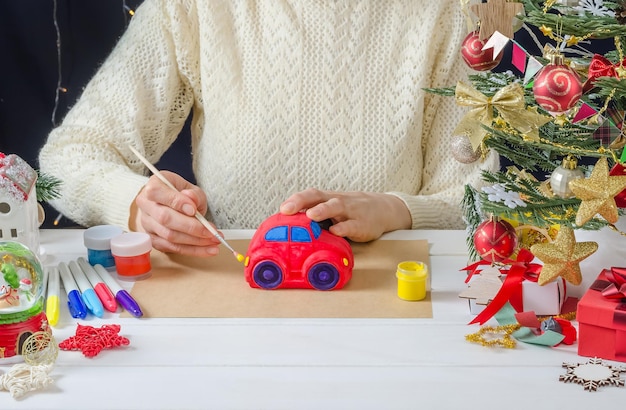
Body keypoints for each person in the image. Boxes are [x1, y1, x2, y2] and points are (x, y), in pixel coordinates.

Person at [39, 0, 499, 257]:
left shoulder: (443, 14)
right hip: (232, 303)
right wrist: (136, 203)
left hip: (391, 304)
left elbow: (480, 199)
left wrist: (396, 210)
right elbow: (69, 156)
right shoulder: (191, 8)